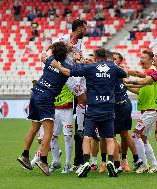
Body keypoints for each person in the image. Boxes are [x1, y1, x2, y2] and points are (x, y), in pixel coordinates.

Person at [51, 48, 128, 178]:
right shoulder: (113, 68)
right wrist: (112, 64)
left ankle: (86, 162)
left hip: (93, 108)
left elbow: (70, 72)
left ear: (96, 57)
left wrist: (65, 63)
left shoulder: (90, 67)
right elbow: (124, 74)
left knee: (87, 137)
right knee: (109, 138)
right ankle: (110, 161)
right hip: (108, 108)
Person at [17, 41, 71, 176]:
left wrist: (48, 47)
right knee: (49, 130)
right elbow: (69, 71)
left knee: (34, 127)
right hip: (46, 96)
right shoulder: (65, 66)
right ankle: (44, 160)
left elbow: (42, 55)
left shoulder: (49, 60)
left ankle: (24, 155)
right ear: (65, 55)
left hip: (35, 93)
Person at [124, 50, 157, 176]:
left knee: (146, 136)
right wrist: (126, 83)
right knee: (148, 137)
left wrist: (125, 79)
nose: (155, 58)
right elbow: (142, 86)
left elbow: (142, 80)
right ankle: (156, 165)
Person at [45, 19, 88, 171]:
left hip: (75, 72)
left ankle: (81, 124)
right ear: (79, 28)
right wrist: (62, 50)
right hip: (66, 74)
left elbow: (77, 57)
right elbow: (49, 50)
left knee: (85, 95)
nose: (86, 31)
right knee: (82, 97)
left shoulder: (80, 43)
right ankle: (80, 125)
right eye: (84, 28)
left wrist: (83, 60)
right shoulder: (63, 38)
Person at [126, 50, 157, 174]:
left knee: (136, 135)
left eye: (144, 57)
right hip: (147, 110)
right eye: (140, 57)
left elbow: (137, 73)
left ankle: (144, 164)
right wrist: (125, 84)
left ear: (151, 60)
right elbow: (138, 91)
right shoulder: (147, 77)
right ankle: (155, 164)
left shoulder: (152, 71)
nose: (141, 59)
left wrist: (124, 71)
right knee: (143, 138)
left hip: (151, 110)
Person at [112, 52, 142, 173]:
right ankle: (128, 160)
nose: (113, 60)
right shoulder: (111, 71)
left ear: (120, 61)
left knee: (120, 134)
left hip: (122, 105)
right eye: (112, 58)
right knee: (116, 135)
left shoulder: (120, 73)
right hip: (115, 105)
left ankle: (121, 161)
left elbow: (130, 86)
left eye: (115, 59)